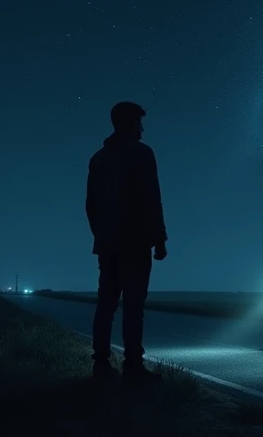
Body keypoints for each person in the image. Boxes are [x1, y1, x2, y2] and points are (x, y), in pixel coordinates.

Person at [85, 101, 169, 384]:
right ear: (131, 124)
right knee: (133, 307)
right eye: (140, 123)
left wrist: (101, 235)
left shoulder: (98, 158)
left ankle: (100, 364)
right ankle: (133, 365)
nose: (143, 129)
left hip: (108, 246)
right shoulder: (143, 154)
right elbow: (152, 199)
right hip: (135, 244)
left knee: (106, 305)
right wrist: (159, 240)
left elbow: (90, 206)